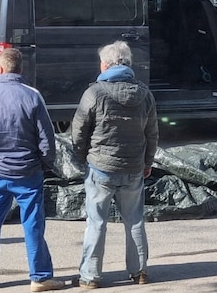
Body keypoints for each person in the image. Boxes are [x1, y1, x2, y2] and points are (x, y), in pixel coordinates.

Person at [0, 48, 63, 292]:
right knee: (32, 224)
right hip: (28, 173)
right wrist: (43, 165)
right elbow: (47, 141)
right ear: (20, 69)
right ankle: (39, 277)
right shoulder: (32, 96)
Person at [70, 40, 158, 289]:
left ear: (106, 64)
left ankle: (90, 277)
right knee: (135, 220)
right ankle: (139, 272)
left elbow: (78, 131)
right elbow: (152, 133)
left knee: (96, 222)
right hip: (134, 168)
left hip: (101, 168)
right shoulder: (144, 94)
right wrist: (147, 162)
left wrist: (82, 155)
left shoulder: (94, 93)